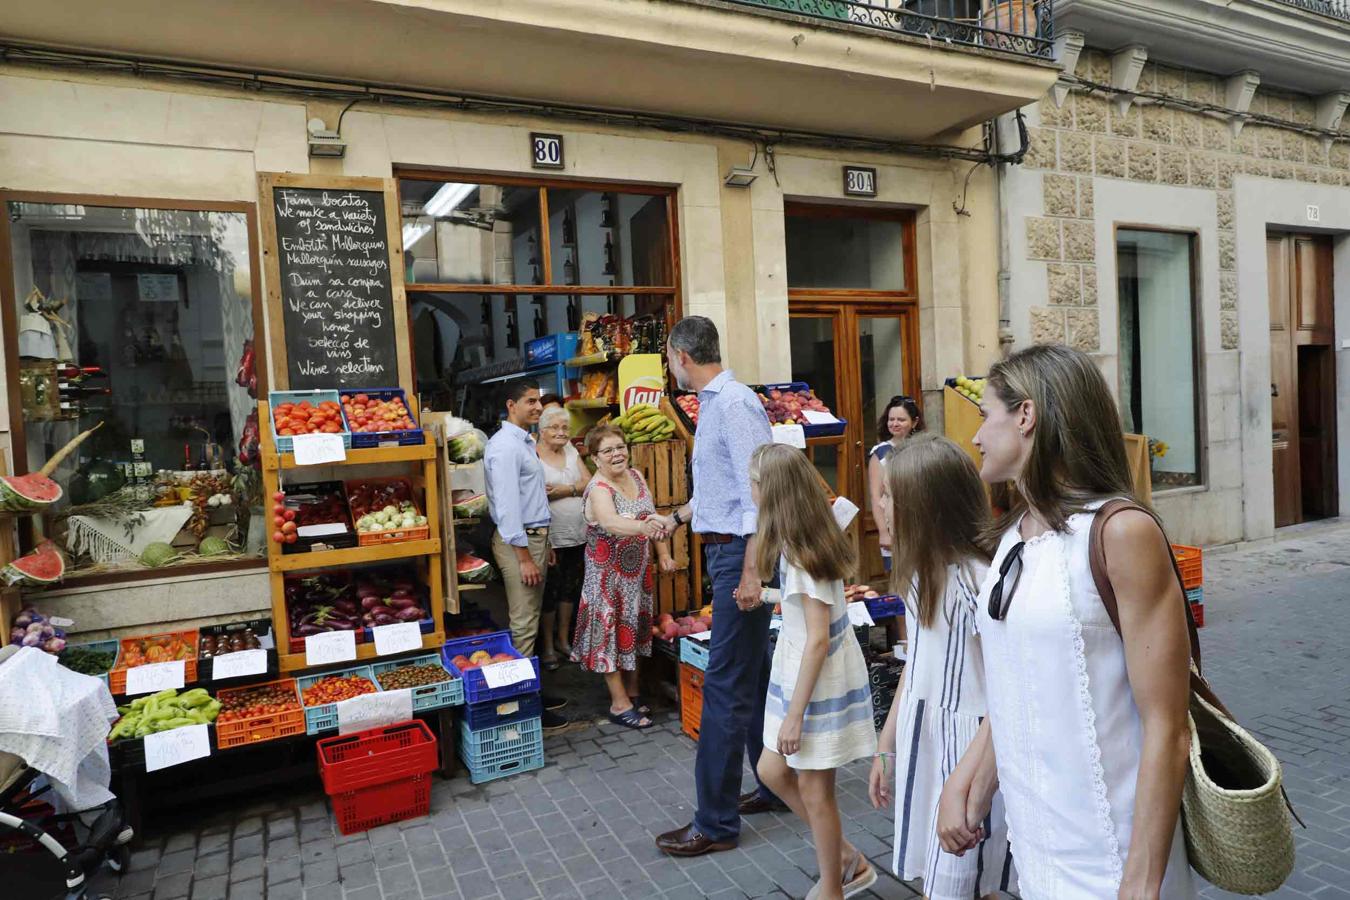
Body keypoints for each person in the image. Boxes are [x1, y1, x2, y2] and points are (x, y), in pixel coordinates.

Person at [937, 344, 1195, 898]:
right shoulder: (1011, 539)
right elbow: (1017, 677)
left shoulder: (1121, 533)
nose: (976, 437)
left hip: (1116, 854)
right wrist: (972, 777)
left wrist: (1142, 883)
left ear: (1026, 416)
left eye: (986, 416)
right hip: (1037, 843)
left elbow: (1168, 727)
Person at [651, 315, 782, 857]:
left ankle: (716, 823)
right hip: (727, 550)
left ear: (683, 356)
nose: (668, 366)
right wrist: (677, 518)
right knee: (751, 680)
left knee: (725, 685)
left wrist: (753, 570)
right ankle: (776, 786)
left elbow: (763, 492)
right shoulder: (712, 404)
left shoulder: (733, 404)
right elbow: (722, 489)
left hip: (740, 558)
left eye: (668, 357)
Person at [867, 434, 1014, 900]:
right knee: (957, 880)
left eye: (891, 495)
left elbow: (1008, 687)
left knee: (960, 880)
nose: (881, 506)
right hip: (927, 732)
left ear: (925, 507)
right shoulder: (919, 574)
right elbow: (918, 663)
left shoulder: (976, 581)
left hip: (969, 746)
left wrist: (975, 776)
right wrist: (886, 744)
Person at [751, 444, 878, 900]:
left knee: (813, 787)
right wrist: (767, 599)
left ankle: (833, 886)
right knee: (772, 769)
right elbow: (810, 615)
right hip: (803, 672)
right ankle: (845, 858)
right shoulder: (800, 543)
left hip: (815, 680)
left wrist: (794, 715)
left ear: (773, 493)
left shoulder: (802, 554)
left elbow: (819, 637)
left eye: (754, 484)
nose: (750, 492)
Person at [571, 423, 674, 729]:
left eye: (620, 447)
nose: (616, 454)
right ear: (595, 459)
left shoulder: (638, 476)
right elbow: (611, 522)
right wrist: (644, 528)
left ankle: (633, 692)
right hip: (607, 579)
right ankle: (618, 704)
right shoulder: (598, 488)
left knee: (636, 631)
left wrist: (664, 553)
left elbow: (651, 515)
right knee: (609, 638)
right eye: (608, 450)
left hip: (637, 575)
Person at [483, 381, 568, 730]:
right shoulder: (504, 447)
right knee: (523, 625)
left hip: (533, 540)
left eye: (538, 401)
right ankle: (522, 705)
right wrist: (523, 555)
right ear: (511, 405)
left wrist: (542, 545)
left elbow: (530, 497)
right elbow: (506, 507)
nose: (537, 407)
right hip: (518, 542)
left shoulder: (522, 441)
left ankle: (531, 690)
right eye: (529, 401)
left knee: (529, 621)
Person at [535, 406, 589, 671]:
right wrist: (571, 490)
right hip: (551, 537)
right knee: (549, 592)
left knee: (570, 588)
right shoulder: (532, 454)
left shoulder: (570, 451)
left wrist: (564, 489)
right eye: (554, 427)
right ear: (542, 430)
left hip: (578, 533)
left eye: (565, 428)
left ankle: (563, 640)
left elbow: (588, 482)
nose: (561, 433)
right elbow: (536, 494)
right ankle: (546, 646)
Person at [867, 395, 923, 572]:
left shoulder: (924, 449)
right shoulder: (880, 453)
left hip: (921, 524)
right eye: (891, 419)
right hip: (894, 527)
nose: (895, 424)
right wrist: (883, 532)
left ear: (914, 423)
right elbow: (876, 496)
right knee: (899, 579)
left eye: (901, 419)